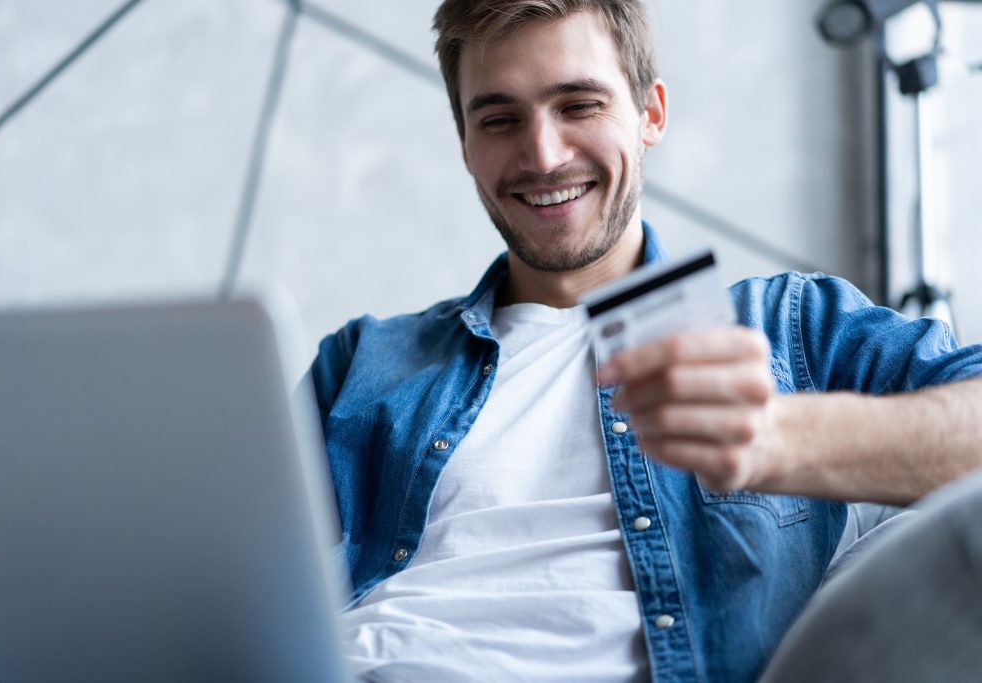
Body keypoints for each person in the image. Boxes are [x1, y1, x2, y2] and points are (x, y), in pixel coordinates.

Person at [307, 1, 982, 680]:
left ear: (650, 113)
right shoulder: (363, 360)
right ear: (465, 144)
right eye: (500, 119)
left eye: (578, 105)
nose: (542, 155)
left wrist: (786, 437)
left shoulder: (789, 325)